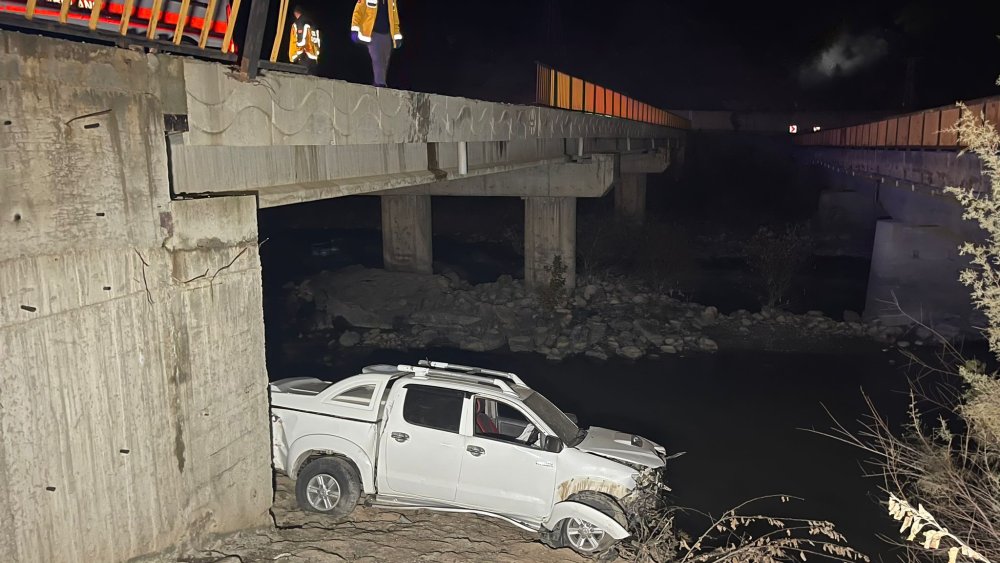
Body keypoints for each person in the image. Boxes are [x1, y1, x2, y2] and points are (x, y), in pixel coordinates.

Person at [350, 0, 402, 87]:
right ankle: (380, 83)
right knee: (377, 58)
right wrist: (354, 29)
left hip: (387, 35)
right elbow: (358, 12)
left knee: (385, 60)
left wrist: (396, 34)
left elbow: (395, 18)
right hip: (373, 33)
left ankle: (379, 82)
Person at [288, 5, 321, 75]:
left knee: (302, 75)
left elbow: (301, 39)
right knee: (311, 76)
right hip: (313, 55)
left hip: (304, 54)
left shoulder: (300, 21)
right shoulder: (313, 23)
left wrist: (298, 49)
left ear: (296, 13)